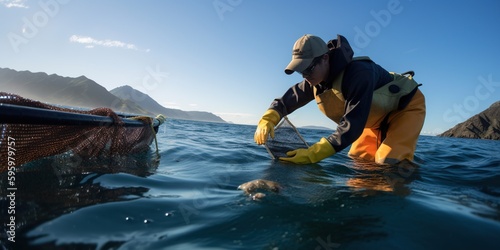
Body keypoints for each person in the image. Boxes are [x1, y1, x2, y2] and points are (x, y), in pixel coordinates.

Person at [254, 34, 426, 165]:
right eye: (301, 71)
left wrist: (312, 154)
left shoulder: (359, 74)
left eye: (309, 69)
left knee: (388, 163)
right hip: (372, 120)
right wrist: (268, 119)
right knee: (359, 162)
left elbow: (351, 128)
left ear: (325, 58)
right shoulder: (314, 80)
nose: (305, 76)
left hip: (405, 108)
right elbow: (285, 101)